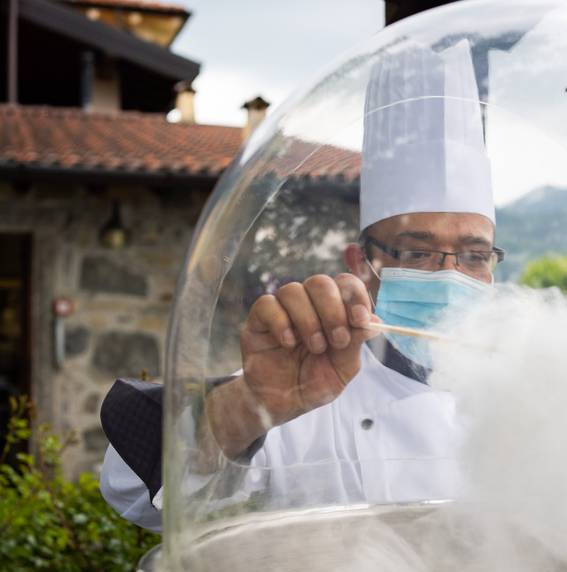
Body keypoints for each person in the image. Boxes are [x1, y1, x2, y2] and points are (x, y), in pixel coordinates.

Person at [99, 40, 501, 530]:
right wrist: (252, 403)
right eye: (416, 252)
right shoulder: (306, 388)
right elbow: (129, 493)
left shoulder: (527, 399)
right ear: (361, 263)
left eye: (474, 256)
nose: (449, 276)